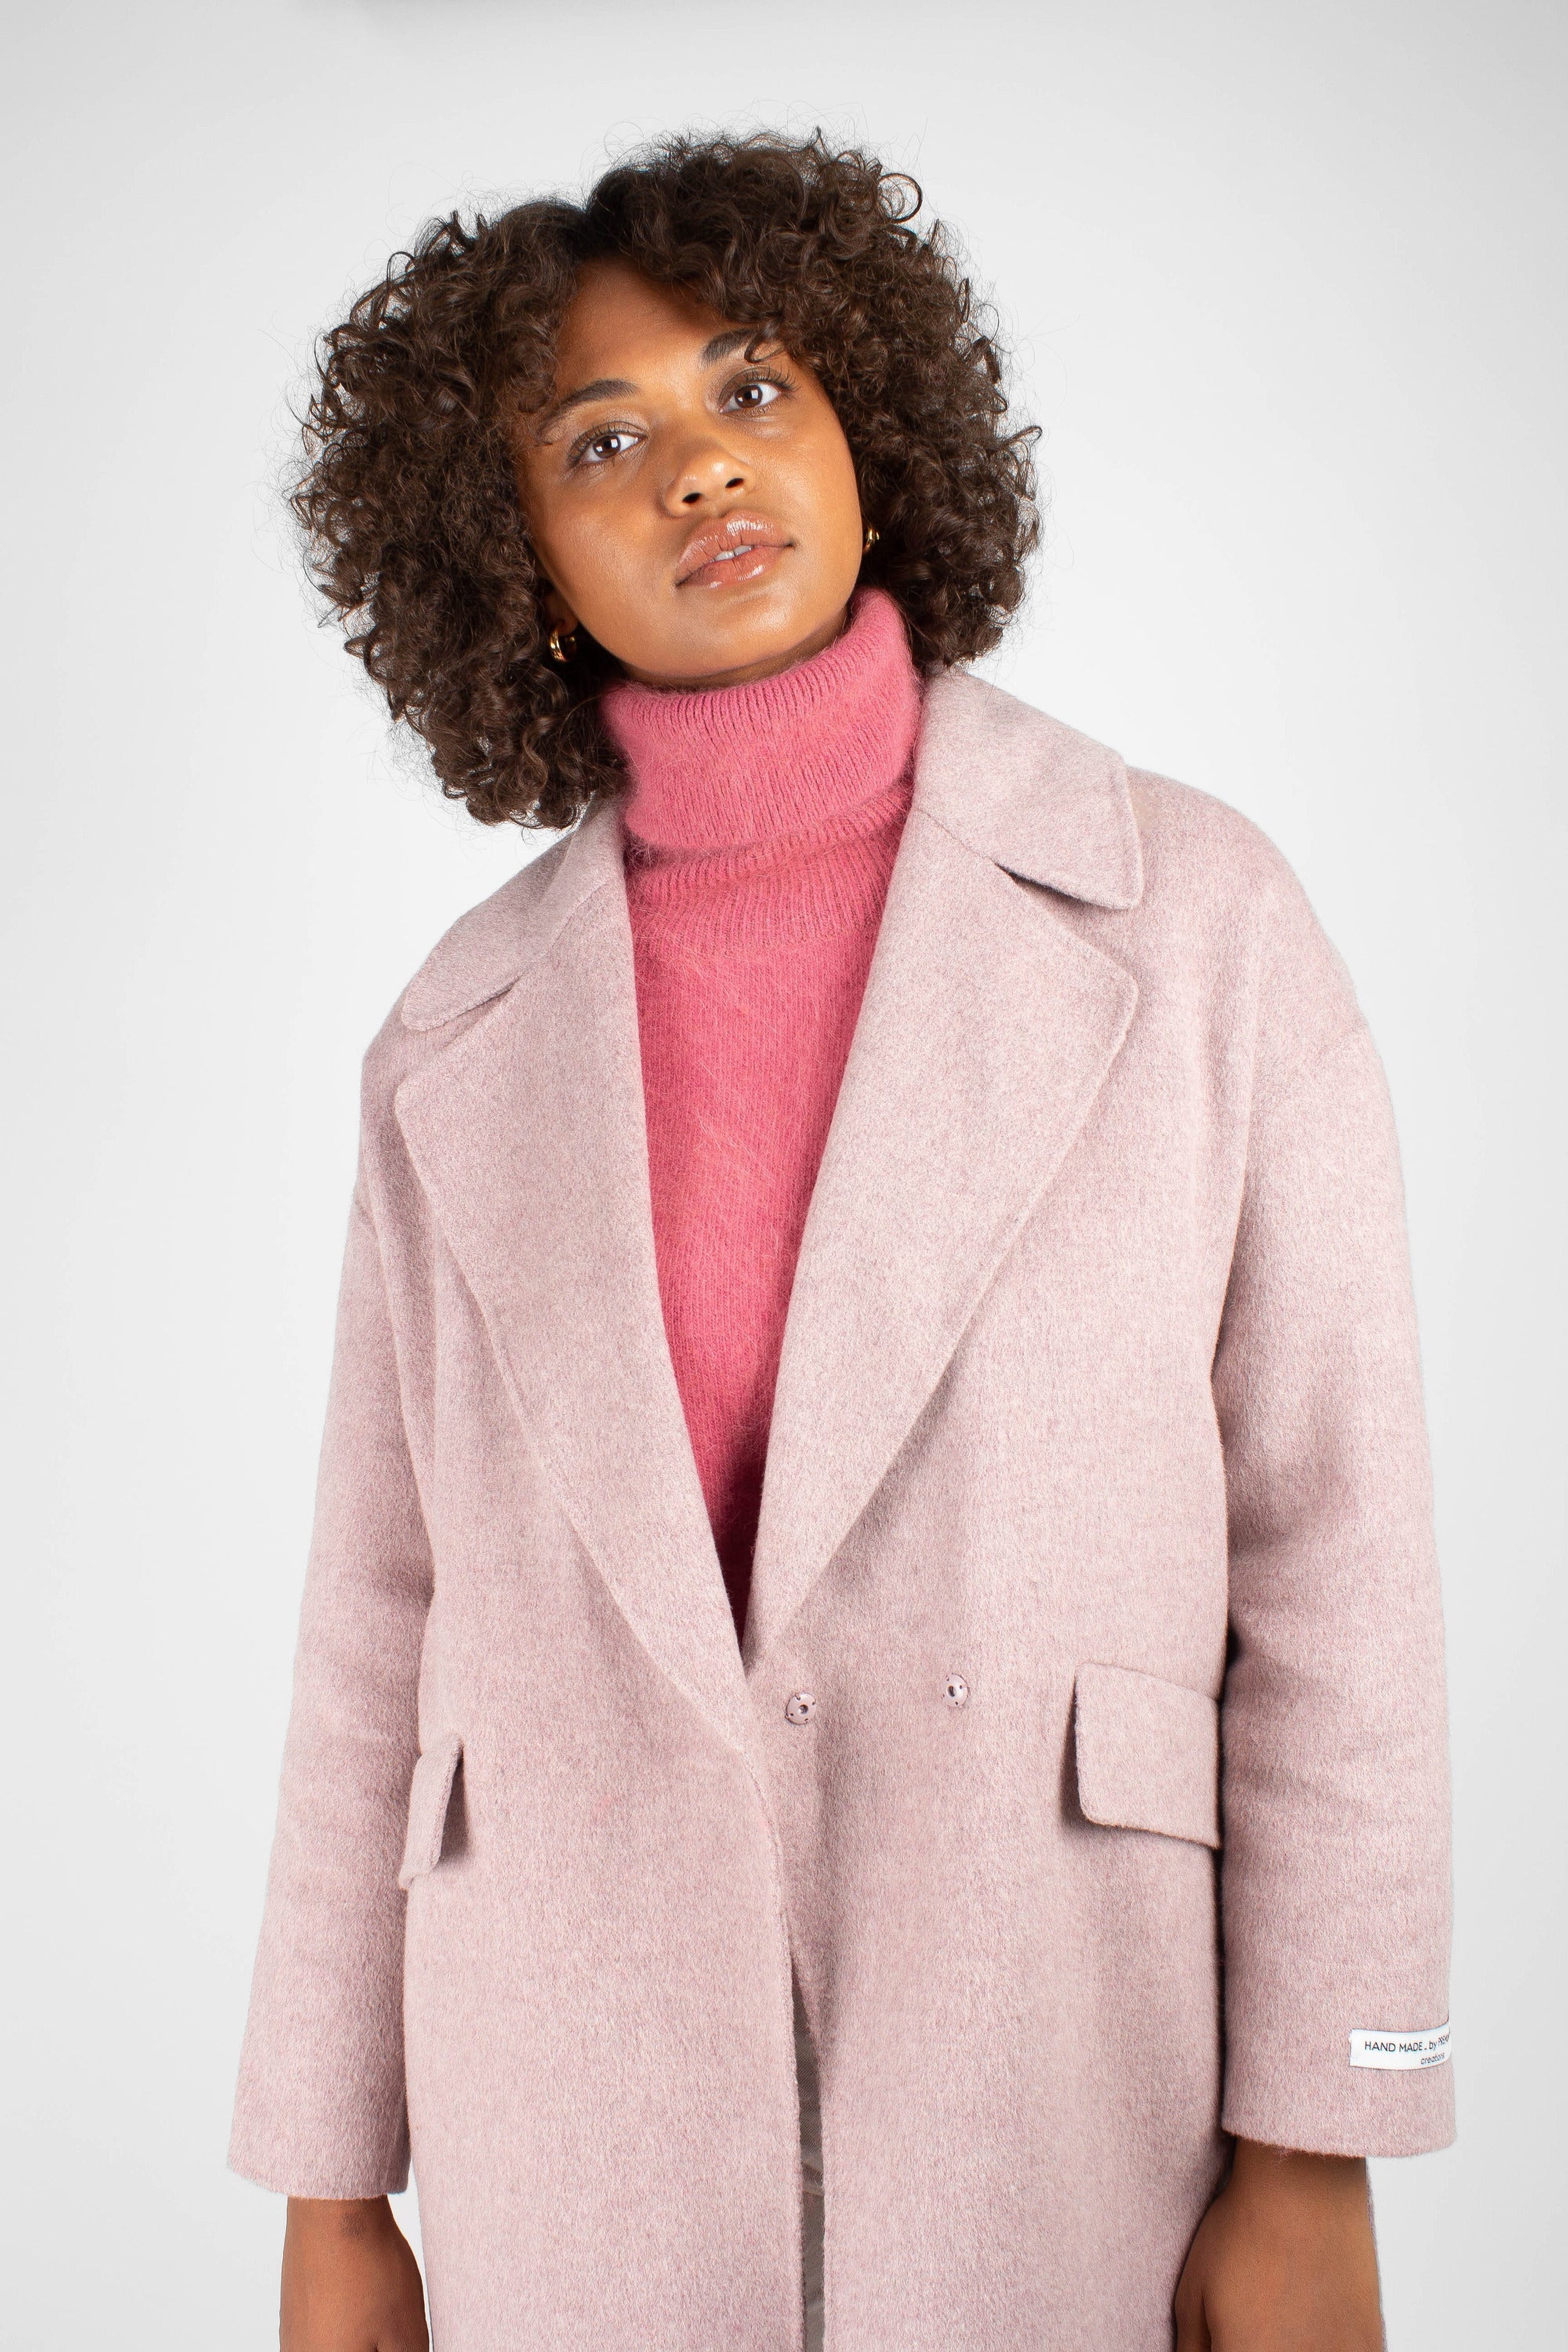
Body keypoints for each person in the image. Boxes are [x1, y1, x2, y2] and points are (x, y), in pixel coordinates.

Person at [229, 131, 1453, 2352]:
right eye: (602, 442)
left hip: (1071, 2084)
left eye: (751, 387)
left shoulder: (1198, 921)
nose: (701, 467)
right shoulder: (450, 1043)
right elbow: (371, 1634)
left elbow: (1336, 1547)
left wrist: (1319, 2146)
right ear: (512, 558)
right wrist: (331, 2201)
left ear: (872, 427)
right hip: (565, 2125)